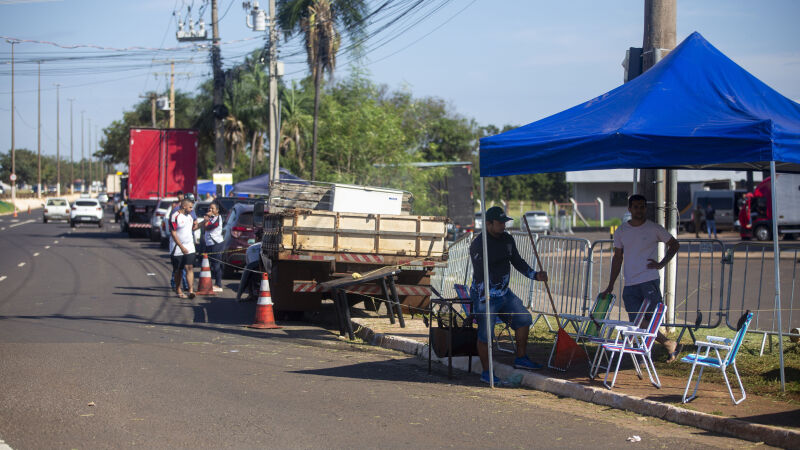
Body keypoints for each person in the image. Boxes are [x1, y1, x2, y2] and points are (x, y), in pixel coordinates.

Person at [470, 206, 548, 384]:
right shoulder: (478, 244)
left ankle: (521, 358)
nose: (503, 226)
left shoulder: (507, 239)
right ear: (488, 224)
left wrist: (534, 275)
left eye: (505, 223)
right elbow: (480, 272)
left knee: (524, 319)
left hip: (504, 293)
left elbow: (517, 261)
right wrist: (486, 296)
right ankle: (486, 372)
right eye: (500, 223)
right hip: (484, 295)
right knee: (485, 335)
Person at [601, 194, 683, 362]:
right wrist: (610, 285)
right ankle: (667, 345)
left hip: (649, 280)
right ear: (629, 209)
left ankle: (648, 351)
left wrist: (661, 264)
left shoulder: (654, 228)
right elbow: (618, 258)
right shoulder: (621, 230)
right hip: (630, 284)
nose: (639, 210)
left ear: (646, 208)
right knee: (637, 321)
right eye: (636, 207)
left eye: (642, 207)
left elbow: (674, 244)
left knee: (649, 320)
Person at [170, 198, 200, 299]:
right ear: (184, 206)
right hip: (177, 247)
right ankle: (178, 289)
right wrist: (181, 247)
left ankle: (191, 290)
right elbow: (173, 233)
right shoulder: (175, 216)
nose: (192, 209)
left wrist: (203, 222)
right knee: (178, 270)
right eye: (190, 207)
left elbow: (193, 228)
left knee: (189, 267)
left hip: (190, 246)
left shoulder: (190, 216)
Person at [237, 228, 267, 302]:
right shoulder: (269, 247)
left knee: (248, 272)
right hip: (267, 271)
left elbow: (248, 264)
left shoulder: (251, 248)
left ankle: (250, 295)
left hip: (255, 272)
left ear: (257, 238)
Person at [203, 202, 225, 293]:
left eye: (212, 209)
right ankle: (214, 283)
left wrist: (206, 220)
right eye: (209, 208)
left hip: (216, 244)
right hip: (209, 243)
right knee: (212, 264)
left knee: (216, 265)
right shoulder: (211, 218)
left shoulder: (217, 218)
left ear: (217, 210)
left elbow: (207, 227)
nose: (210, 210)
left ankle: (218, 284)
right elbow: (202, 224)